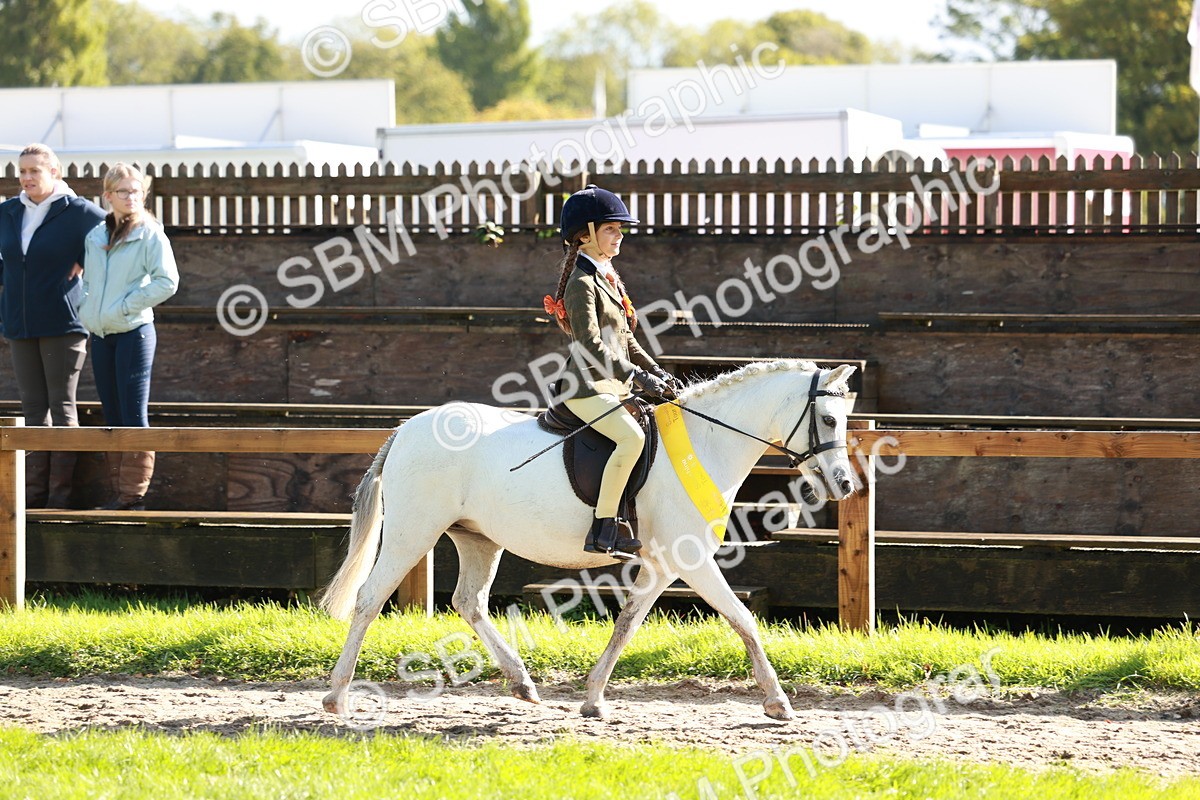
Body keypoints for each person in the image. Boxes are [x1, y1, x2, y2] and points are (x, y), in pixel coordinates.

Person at [543, 184, 684, 560]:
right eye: (611, 229)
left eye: (620, 229)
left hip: (612, 383)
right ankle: (605, 526)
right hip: (585, 386)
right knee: (631, 439)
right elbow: (590, 344)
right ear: (584, 235)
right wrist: (637, 378)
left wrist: (656, 371)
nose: (619, 235)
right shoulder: (581, 283)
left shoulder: (609, 278)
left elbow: (625, 340)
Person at [0, 143, 106, 508]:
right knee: (32, 411)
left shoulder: (79, 213)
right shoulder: (9, 212)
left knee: (62, 408)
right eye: (22, 171)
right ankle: (31, 499)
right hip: (19, 323)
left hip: (63, 323)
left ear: (55, 173)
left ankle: (59, 500)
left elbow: (120, 237)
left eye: (35, 171)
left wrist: (84, 263)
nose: (27, 178)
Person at [80, 163, 179, 510]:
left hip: (134, 331)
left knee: (134, 413)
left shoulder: (150, 234)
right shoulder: (95, 236)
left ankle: (132, 497)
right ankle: (116, 495)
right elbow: (88, 282)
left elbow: (167, 281)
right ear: (108, 196)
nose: (131, 197)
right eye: (123, 191)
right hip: (102, 334)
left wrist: (125, 307)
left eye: (137, 191)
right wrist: (87, 309)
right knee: (112, 412)